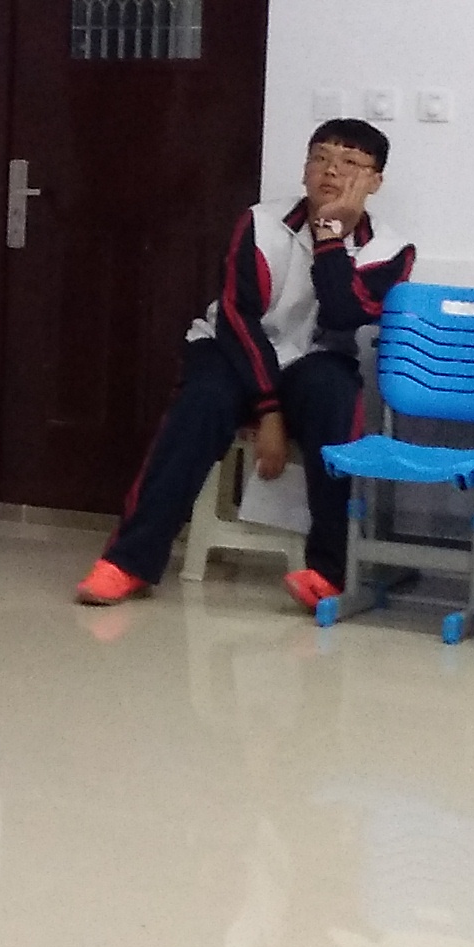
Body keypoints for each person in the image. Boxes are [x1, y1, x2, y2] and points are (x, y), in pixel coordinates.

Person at [75, 119, 414, 617]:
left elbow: (344, 314)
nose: (330, 171)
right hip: (232, 346)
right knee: (201, 402)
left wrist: (329, 235)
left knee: (336, 401)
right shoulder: (259, 222)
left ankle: (328, 572)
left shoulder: (391, 249)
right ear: (304, 168)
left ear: (375, 181)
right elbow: (238, 317)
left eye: (349, 162)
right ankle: (129, 562)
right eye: (320, 157)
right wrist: (269, 411)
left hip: (317, 355)